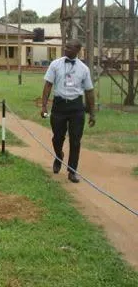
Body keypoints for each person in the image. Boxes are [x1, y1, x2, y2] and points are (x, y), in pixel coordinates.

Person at [40, 39, 96, 183]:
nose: (65, 49)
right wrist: (44, 105)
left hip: (76, 107)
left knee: (75, 140)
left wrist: (92, 113)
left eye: (69, 48)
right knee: (57, 138)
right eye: (65, 47)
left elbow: (89, 91)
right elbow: (48, 85)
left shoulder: (84, 69)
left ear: (77, 50)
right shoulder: (55, 64)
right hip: (59, 105)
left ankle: (72, 171)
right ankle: (59, 156)